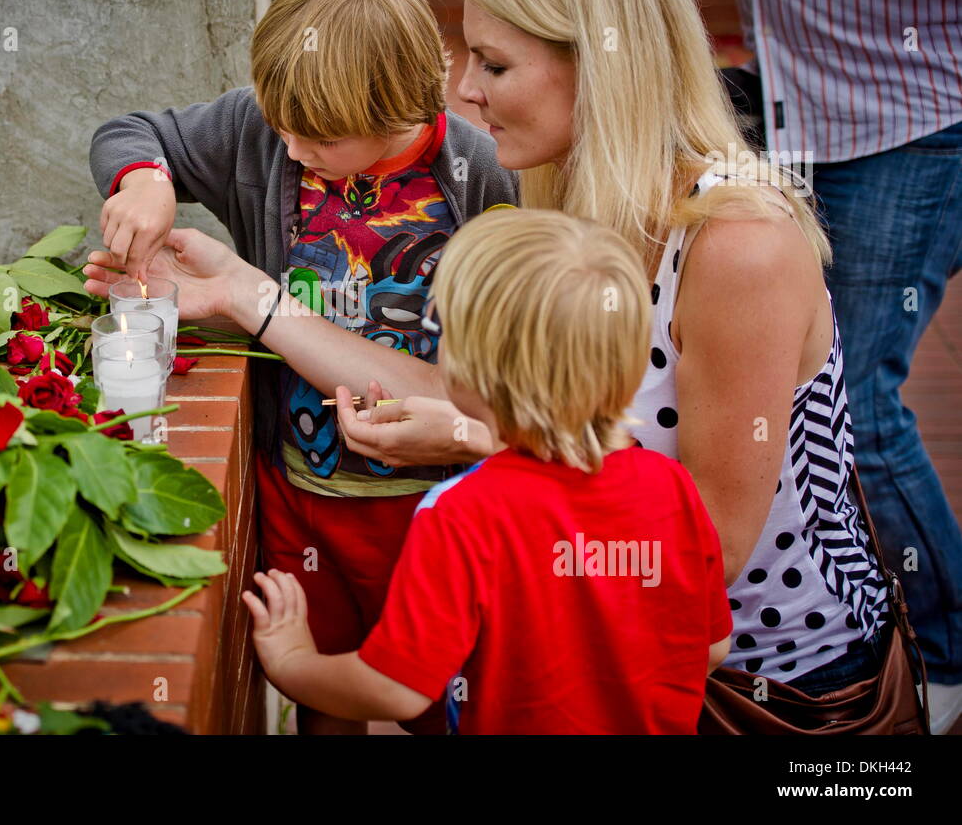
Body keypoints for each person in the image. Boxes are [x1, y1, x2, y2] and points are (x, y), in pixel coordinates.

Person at [104, 0, 895, 711]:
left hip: (765, 691)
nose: (461, 93)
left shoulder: (740, 248)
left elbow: (706, 554)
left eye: (493, 64)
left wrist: (472, 448)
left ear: (598, 65)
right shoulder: (568, 202)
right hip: (616, 666)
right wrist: (245, 293)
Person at [84, 0, 517, 734]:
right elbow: (134, 131)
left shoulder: (481, 174)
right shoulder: (266, 128)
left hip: (430, 508)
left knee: (437, 697)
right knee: (318, 692)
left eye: (316, 141)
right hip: (300, 500)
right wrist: (146, 177)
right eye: (279, 129)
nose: (288, 152)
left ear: (398, 112)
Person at [241, 208, 733, 733]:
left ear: (470, 365)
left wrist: (295, 664)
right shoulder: (670, 485)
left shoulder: (461, 515)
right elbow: (712, 645)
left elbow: (396, 689)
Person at [693, 0, 962, 734]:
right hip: (797, 114)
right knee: (811, 402)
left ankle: (948, 659)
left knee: (866, 417)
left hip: (907, 128)